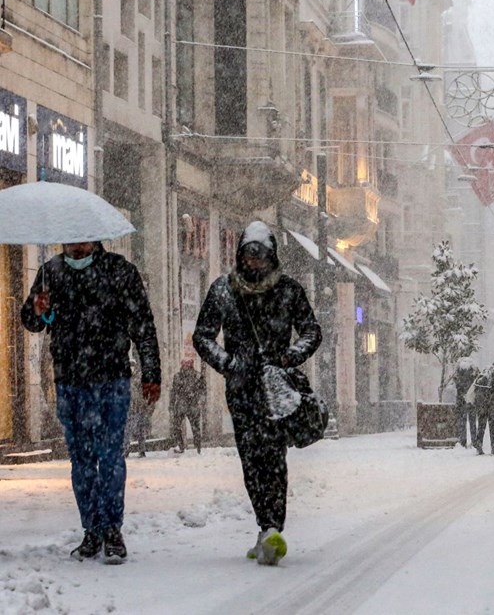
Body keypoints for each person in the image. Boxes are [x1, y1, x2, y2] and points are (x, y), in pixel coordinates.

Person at [20, 241, 161, 564]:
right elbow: (34, 322)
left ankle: (112, 529)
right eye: (70, 238)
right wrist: (37, 309)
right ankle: (91, 530)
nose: (75, 244)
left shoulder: (119, 271)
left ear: (95, 237)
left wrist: (151, 372)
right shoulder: (50, 272)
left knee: (110, 457)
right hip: (70, 383)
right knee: (81, 461)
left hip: (112, 379)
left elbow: (142, 324)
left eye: (81, 237)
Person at [193, 221, 322, 566]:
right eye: (248, 256)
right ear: (239, 256)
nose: (254, 262)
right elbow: (202, 336)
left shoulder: (289, 291)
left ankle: (271, 526)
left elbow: (311, 330)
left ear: (271, 255)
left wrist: (290, 357)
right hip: (241, 389)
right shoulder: (223, 290)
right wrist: (228, 363)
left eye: (260, 256)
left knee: (274, 460)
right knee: (251, 461)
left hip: (275, 389)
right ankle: (265, 526)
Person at [170, 359, 207, 454]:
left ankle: (196, 447)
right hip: (184, 405)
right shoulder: (179, 376)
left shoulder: (197, 376)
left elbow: (203, 390)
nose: (186, 366)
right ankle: (187, 447)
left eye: (187, 364)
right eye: (185, 364)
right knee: (178, 426)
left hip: (189, 405)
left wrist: (200, 399)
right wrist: (172, 403)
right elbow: (173, 392)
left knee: (193, 427)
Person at [123, 360, 153, 458]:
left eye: (132, 366)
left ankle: (142, 450)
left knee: (141, 430)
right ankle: (126, 449)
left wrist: (148, 406)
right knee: (128, 430)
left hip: (141, 407)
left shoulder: (140, 377)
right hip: (129, 408)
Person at [452, 357, 479, 448]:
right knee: (472, 422)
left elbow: (456, 382)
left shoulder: (458, 370)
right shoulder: (474, 370)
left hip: (461, 399)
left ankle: (463, 441)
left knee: (462, 422)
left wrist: (462, 393)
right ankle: (474, 441)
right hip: (471, 400)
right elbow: (477, 383)